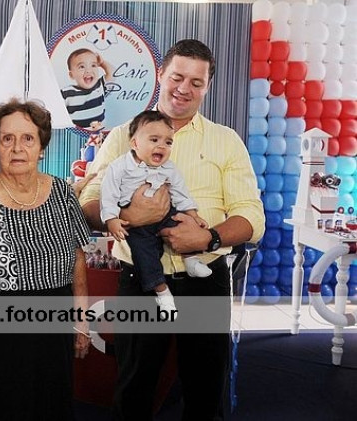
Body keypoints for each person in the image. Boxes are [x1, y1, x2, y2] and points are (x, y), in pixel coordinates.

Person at [79, 39, 265, 420]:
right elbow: (88, 206)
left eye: (196, 82)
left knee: (205, 394)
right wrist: (130, 215)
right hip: (141, 281)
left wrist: (208, 238)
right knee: (133, 391)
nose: (184, 88)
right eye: (177, 77)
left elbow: (252, 217)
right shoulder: (122, 136)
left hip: (206, 281)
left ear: (208, 86)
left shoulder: (225, 141)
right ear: (161, 74)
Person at [0, 98, 92, 420]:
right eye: (7, 139)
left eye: (28, 138)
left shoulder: (64, 194)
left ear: (41, 146)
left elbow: (78, 262)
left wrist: (81, 323)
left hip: (53, 337)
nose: (17, 148)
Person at [100, 110, 211, 314]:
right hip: (136, 224)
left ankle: (191, 260)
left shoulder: (169, 168)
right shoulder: (119, 167)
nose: (162, 146)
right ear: (135, 143)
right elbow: (108, 195)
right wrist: (112, 219)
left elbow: (180, 191)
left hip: (166, 213)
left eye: (168, 142)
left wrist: (193, 214)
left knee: (183, 225)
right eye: (154, 140)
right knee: (144, 256)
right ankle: (162, 292)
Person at [61, 48, 114, 129]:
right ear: (72, 75)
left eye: (93, 65)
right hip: (76, 133)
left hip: (98, 133)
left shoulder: (99, 86)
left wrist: (102, 63)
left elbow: (112, 73)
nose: (88, 70)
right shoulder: (66, 92)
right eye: (82, 67)